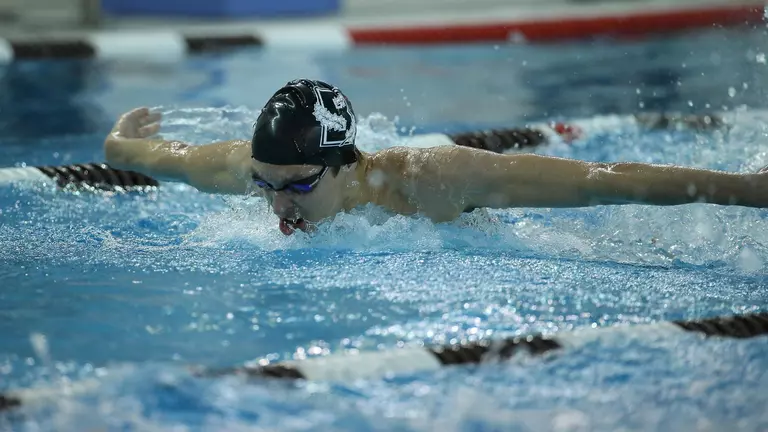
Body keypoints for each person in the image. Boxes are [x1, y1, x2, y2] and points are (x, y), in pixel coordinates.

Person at [104, 79, 767, 236]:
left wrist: (746, 190)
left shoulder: (431, 180)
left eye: (298, 189)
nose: (276, 206)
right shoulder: (249, 167)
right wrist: (121, 139)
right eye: (263, 184)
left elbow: (602, 183)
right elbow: (153, 156)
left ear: (345, 163)